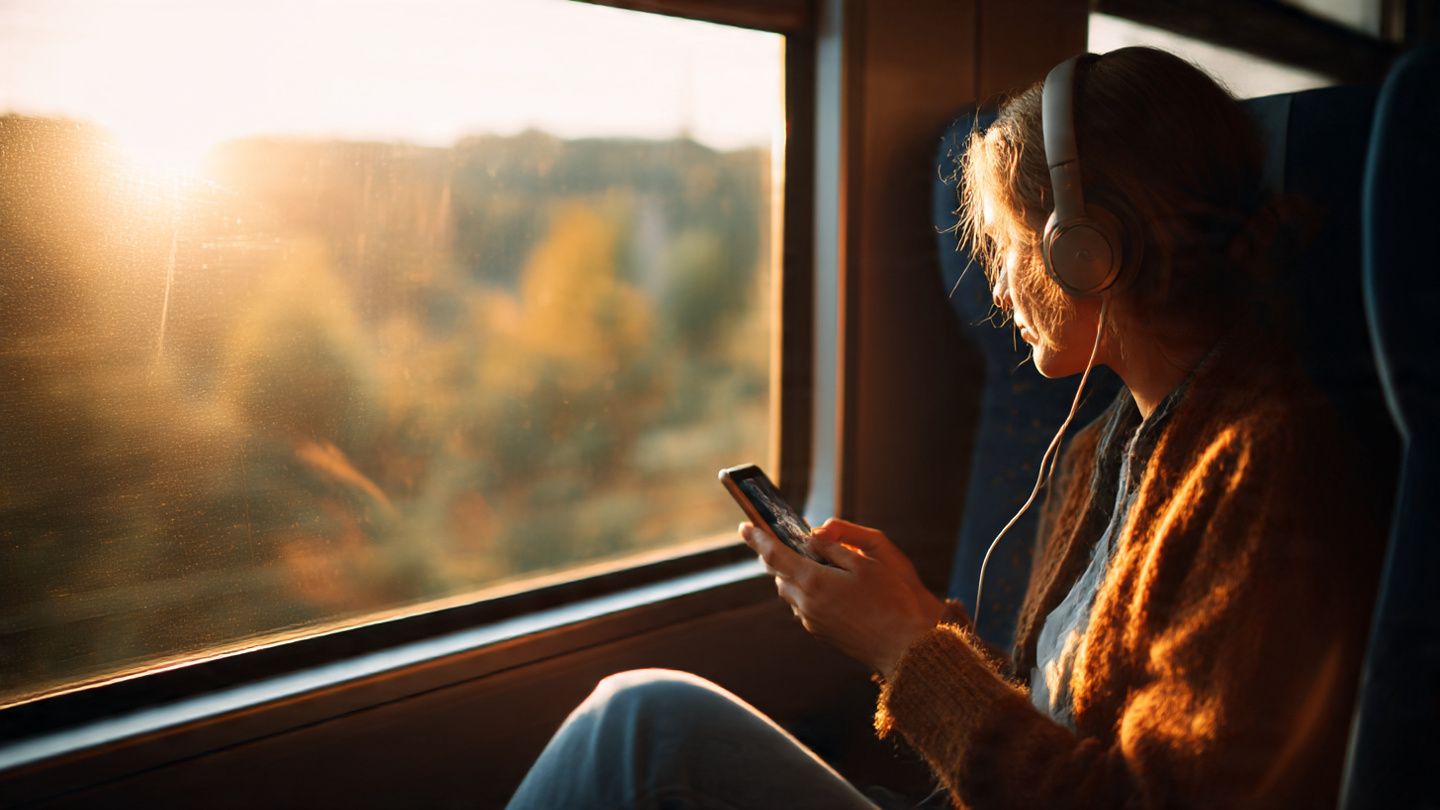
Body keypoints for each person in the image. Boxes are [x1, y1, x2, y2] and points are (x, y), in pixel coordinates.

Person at [506, 47, 1386, 809]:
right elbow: (1058, 726)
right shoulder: (1102, 446)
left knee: (640, 728)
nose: (997, 287)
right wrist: (925, 624)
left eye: (1009, 245)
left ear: (1090, 247)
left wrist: (906, 648)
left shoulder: (1267, 467)